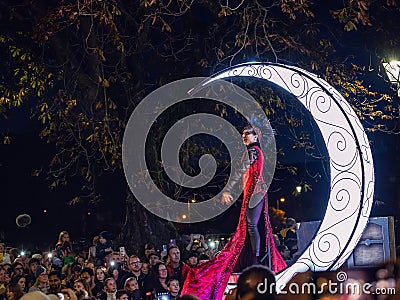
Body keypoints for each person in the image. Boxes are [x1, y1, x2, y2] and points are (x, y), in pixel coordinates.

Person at [181, 125, 286, 300]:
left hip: (255, 192)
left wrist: (228, 188)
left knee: (251, 225)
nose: (244, 136)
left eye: (247, 134)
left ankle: (256, 258)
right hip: (252, 192)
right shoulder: (254, 151)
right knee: (250, 226)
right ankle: (255, 257)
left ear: (255, 136)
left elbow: (241, 170)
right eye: (243, 134)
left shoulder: (253, 151)